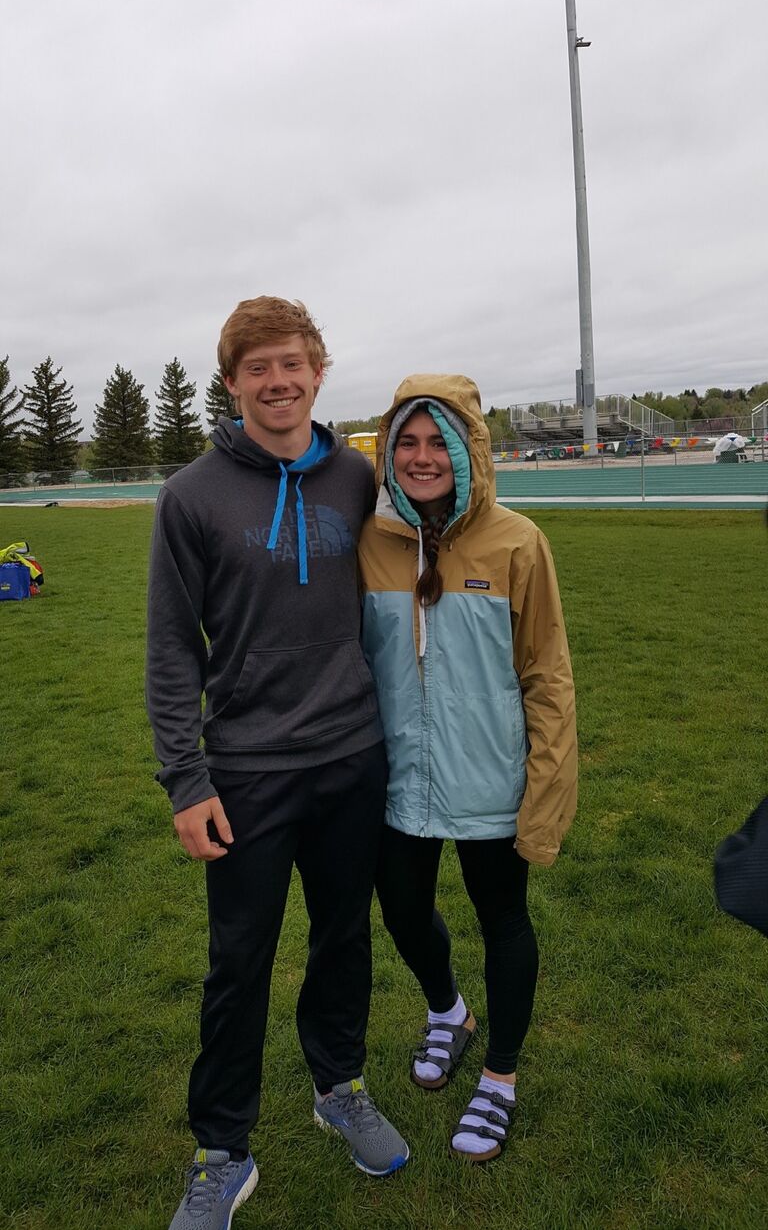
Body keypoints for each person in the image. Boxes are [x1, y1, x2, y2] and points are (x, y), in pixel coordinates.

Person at [146, 297, 409, 1230]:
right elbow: (173, 648)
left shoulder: (355, 476)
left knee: (344, 939)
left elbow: (440, 529)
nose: (277, 380)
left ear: (319, 371)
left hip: (351, 756)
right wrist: (187, 779)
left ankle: (339, 1086)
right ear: (231, 383)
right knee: (239, 962)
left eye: (292, 362)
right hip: (247, 770)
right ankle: (222, 1150)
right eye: (256, 367)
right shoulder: (190, 495)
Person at [358, 374, 578, 1162]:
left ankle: (499, 1077)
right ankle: (448, 1011)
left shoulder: (518, 543)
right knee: (405, 916)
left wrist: (545, 800)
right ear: (389, 451)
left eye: (437, 441)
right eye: (406, 442)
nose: (422, 457)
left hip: (491, 781)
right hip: (397, 783)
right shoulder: (370, 539)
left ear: (468, 451)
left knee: (503, 922)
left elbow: (548, 678)